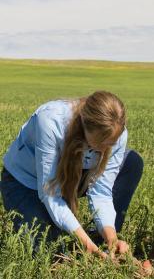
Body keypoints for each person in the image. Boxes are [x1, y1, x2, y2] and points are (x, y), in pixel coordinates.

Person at [0, 91, 143, 260]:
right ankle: (83, 240)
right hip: (26, 182)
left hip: (74, 176)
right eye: (98, 145)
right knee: (48, 253)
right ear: (85, 127)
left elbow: (101, 191)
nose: (103, 151)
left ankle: (100, 241)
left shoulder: (117, 134)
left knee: (132, 162)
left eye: (109, 145)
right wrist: (87, 245)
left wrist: (111, 238)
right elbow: (50, 194)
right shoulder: (50, 121)